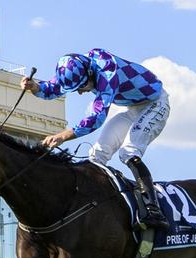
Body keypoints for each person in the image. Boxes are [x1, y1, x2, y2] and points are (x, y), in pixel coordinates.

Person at [21, 49, 170, 230]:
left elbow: (95, 119)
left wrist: (62, 136)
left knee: (128, 152)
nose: (82, 93)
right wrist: (35, 87)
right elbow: (53, 88)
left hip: (155, 104)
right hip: (134, 108)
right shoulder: (81, 67)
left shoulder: (108, 72)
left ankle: (153, 210)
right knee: (97, 154)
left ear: (90, 75)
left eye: (82, 88)